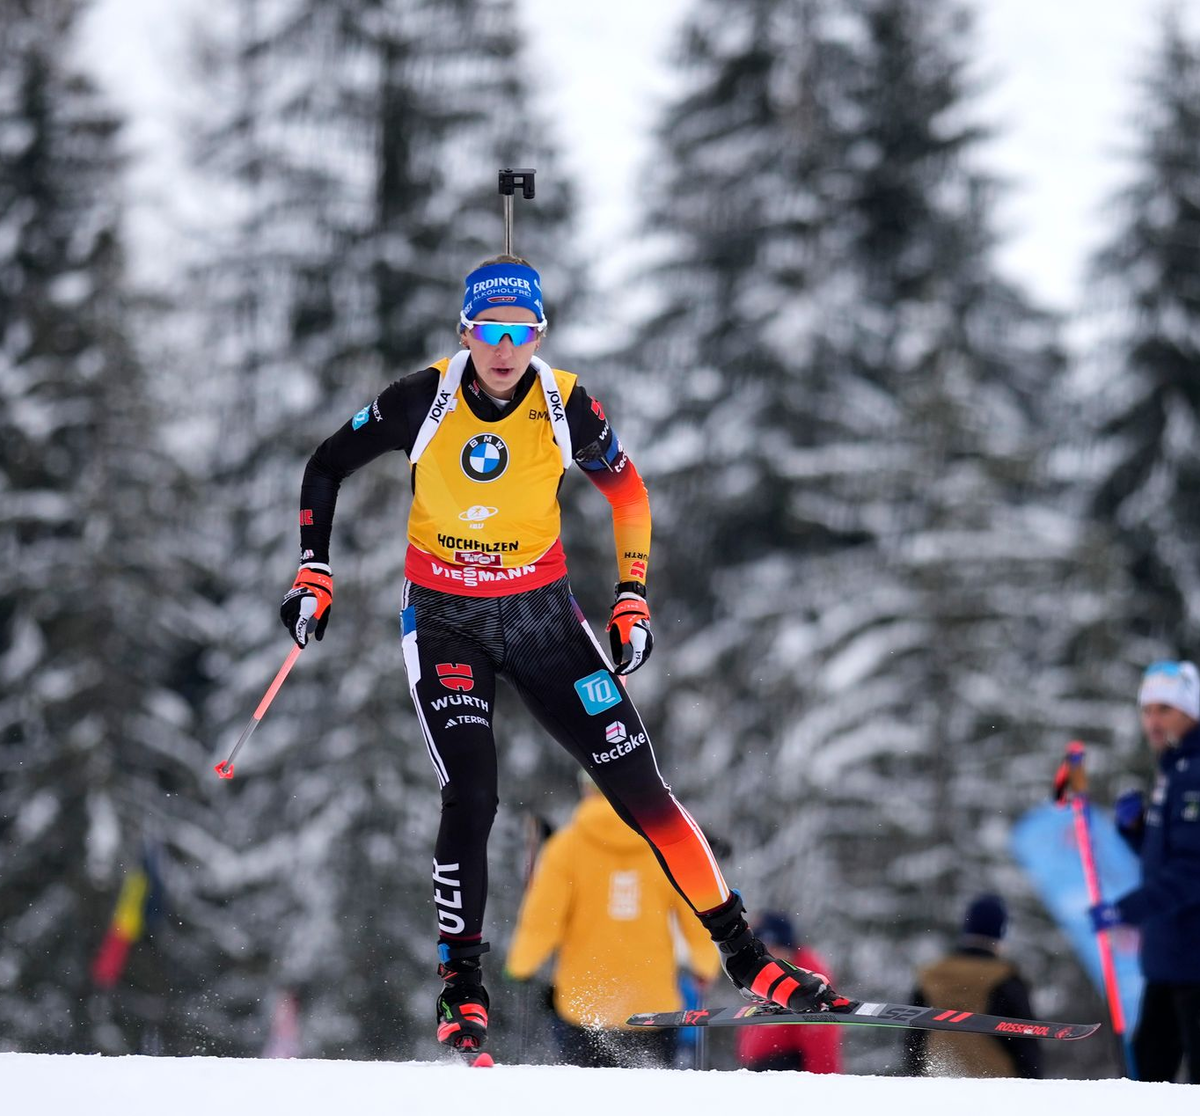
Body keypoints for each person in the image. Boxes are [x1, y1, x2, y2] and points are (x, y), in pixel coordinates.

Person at [280, 251, 844, 1056]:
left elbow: (628, 491)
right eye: (490, 331)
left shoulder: (565, 404)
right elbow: (326, 464)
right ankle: (461, 985)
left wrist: (632, 593)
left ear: (540, 335)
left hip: (542, 619)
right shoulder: (422, 399)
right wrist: (314, 568)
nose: (505, 348)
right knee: (473, 792)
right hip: (446, 620)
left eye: (521, 331)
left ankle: (748, 959)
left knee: (642, 788)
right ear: (465, 332)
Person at [506, 774, 720, 1067]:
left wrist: (520, 967)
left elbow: (542, 923)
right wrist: (705, 965)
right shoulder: (664, 845)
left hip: (584, 1009)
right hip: (653, 1010)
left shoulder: (566, 847)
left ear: (587, 789)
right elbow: (697, 917)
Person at [1089, 660, 1200, 1083]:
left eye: (1165, 709)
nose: (1153, 721)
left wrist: (1126, 910)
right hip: (1169, 962)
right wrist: (1136, 831)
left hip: (1192, 965)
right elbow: (1170, 858)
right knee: (1143, 1086)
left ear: (1191, 711)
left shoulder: (1194, 773)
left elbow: (1192, 873)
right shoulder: (1175, 767)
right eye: (1147, 710)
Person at [901, 894, 1042, 1079]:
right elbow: (1025, 1042)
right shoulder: (1004, 978)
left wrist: (914, 1077)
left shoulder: (931, 975)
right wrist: (1032, 1082)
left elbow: (914, 1038)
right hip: (995, 1081)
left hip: (937, 1078)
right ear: (1000, 932)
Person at [734, 912, 842, 1073]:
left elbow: (821, 1042)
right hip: (764, 1072)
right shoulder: (769, 979)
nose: (764, 957)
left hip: (788, 1073)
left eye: (771, 949)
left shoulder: (806, 984)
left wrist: (822, 1082)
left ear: (786, 948)